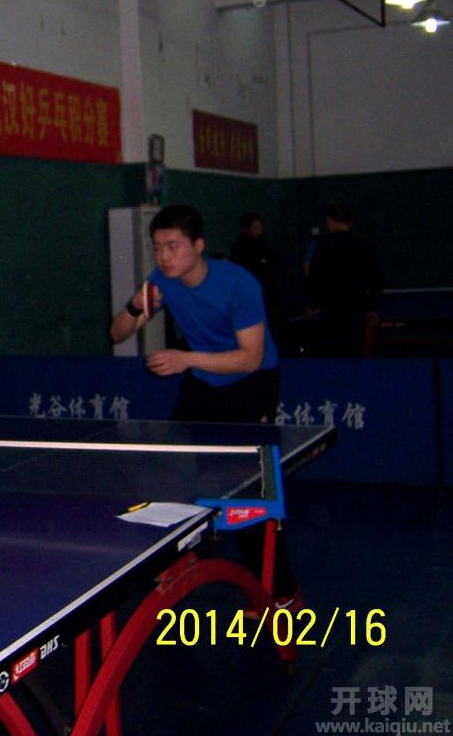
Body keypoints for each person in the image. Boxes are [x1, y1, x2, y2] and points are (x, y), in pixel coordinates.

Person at [109, 205, 298, 606]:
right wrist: (135, 307)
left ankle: (280, 592)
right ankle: (181, 559)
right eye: (157, 247)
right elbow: (118, 332)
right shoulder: (162, 281)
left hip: (252, 383)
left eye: (173, 246)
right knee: (172, 471)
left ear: (198, 245)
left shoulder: (239, 284)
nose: (164, 256)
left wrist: (185, 359)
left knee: (250, 488)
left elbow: (250, 357)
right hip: (205, 381)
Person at [305, 203, 382, 357]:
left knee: (331, 355)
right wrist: (372, 307)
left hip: (330, 311)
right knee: (355, 355)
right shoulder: (362, 245)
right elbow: (375, 278)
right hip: (356, 309)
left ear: (330, 221)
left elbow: (314, 277)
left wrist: (312, 304)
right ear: (350, 222)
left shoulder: (323, 245)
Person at [230, 211, 283, 342]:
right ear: (246, 229)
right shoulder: (242, 247)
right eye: (255, 227)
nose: (259, 230)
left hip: (266, 291)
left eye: (260, 226)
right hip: (253, 293)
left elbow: (276, 259)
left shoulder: (262, 244)